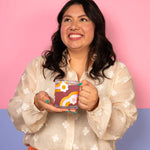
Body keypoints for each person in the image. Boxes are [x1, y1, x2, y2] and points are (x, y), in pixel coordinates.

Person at [7, 0, 137, 149]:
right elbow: (14, 111)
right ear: (60, 27)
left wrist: (96, 105)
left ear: (96, 26)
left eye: (83, 19)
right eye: (67, 19)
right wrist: (36, 103)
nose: (73, 26)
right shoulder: (39, 66)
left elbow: (123, 125)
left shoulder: (117, 72)